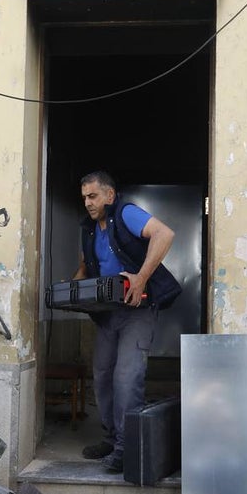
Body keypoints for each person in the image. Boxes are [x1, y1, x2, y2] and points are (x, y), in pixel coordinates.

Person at [71, 171, 181, 472]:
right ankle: (112, 437)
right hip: (107, 312)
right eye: (84, 198)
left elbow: (164, 234)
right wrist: (70, 292)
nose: (88, 203)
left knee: (126, 377)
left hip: (138, 309)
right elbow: (85, 267)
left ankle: (126, 448)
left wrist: (141, 278)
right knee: (103, 374)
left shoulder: (127, 213)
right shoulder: (90, 229)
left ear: (109, 194)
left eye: (93, 196)